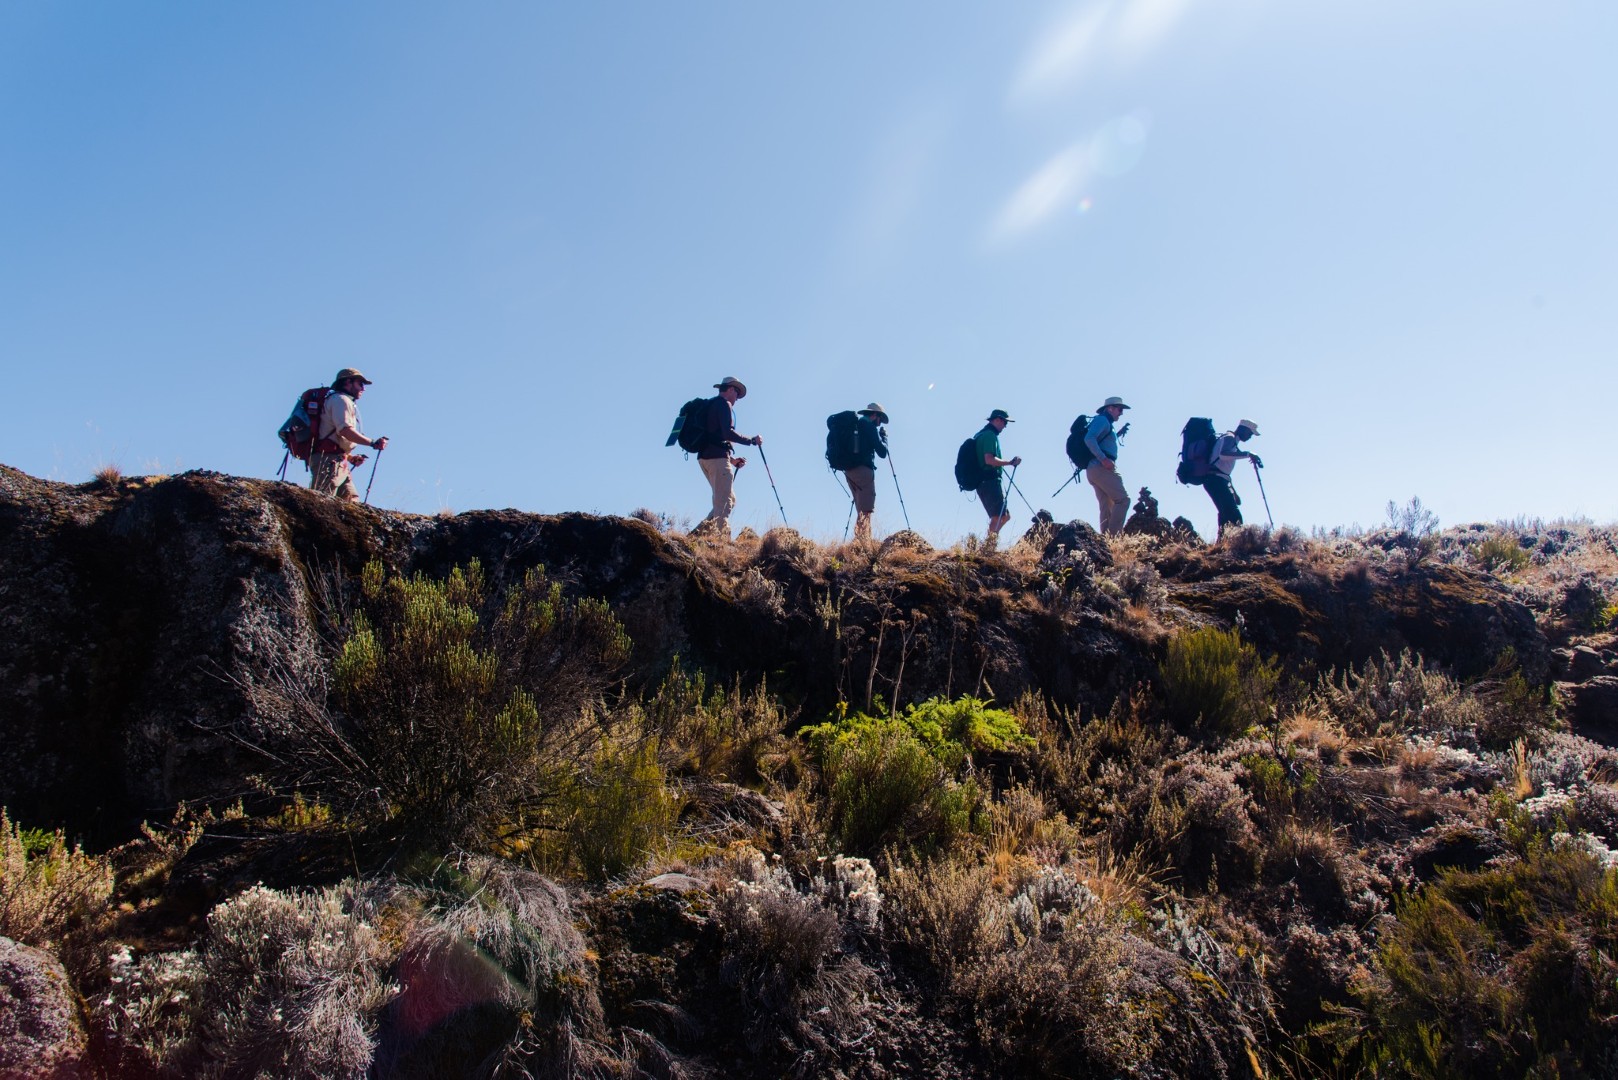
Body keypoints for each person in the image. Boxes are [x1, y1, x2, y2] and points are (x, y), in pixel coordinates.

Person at [694, 376, 762, 539]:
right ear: (731, 389)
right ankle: (721, 543)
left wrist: (731, 460)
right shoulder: (724, 405)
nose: (737, 398)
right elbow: (727, 433)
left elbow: (715, 437)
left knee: (728, 498)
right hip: (716, 460)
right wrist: (751, 441)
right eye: (737, 394)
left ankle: (698, 535)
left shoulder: (710, 405)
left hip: (705, 459)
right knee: (723, 504)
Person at [310, 368, 388, 501]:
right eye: (360, 384)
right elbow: (345, 431)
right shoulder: (341, 400)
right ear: (348, 382)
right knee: (323, 502)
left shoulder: (338, 400)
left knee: (351, 502)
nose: (363, 388)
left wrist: (350, 457)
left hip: (336, 461)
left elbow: (335, 436)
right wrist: (373, 443)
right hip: (329, 462)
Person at [841, 403, 890, 541]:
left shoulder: (856, 425)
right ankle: (863, 542)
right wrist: (884, 439)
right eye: (879, 420)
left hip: (849, 471)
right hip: (863, 471)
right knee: (866, 510)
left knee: (861, 510)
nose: (879, 424)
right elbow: (882, 452)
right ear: (874, 415)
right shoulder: (868, 425)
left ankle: (861, 541)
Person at [1205, 419, 1263, 534]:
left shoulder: (1233, 441)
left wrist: (1233, 491)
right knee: (1233, 515)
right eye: (1250, 433)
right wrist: (1248, 454)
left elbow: (1224, 468)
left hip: (1216, 480)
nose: (1250, 436)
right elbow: (1223, 455)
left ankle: (1222, 543)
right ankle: (1236, 542)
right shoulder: (1229, 437)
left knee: (1226, 513)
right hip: (1214, 480)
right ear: (1243, 429)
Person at [1083, 396, 1130, 535]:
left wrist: (1118, 433)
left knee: (1106, 504)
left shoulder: (1105, 422)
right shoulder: (1102, 420)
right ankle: (1114, 538)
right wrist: (1103, 459)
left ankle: (1105, 542)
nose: (1121, 413)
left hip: (1093, 469)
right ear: (1110, 408)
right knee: (1123, 500)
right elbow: (1089, 438)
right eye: (1119, 409)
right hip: (1101, 467)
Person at [974, 409, 1021, 544]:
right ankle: (988, 547)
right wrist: (1010, 462)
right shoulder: (989, 435)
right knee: (998, 516)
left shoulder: (980, 435)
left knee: (1004, 516)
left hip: (983, 481)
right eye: (1005, 422)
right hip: (989, 481)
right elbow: (989, 459)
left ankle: (990, 545)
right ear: (998, 420)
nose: (1005, 426)